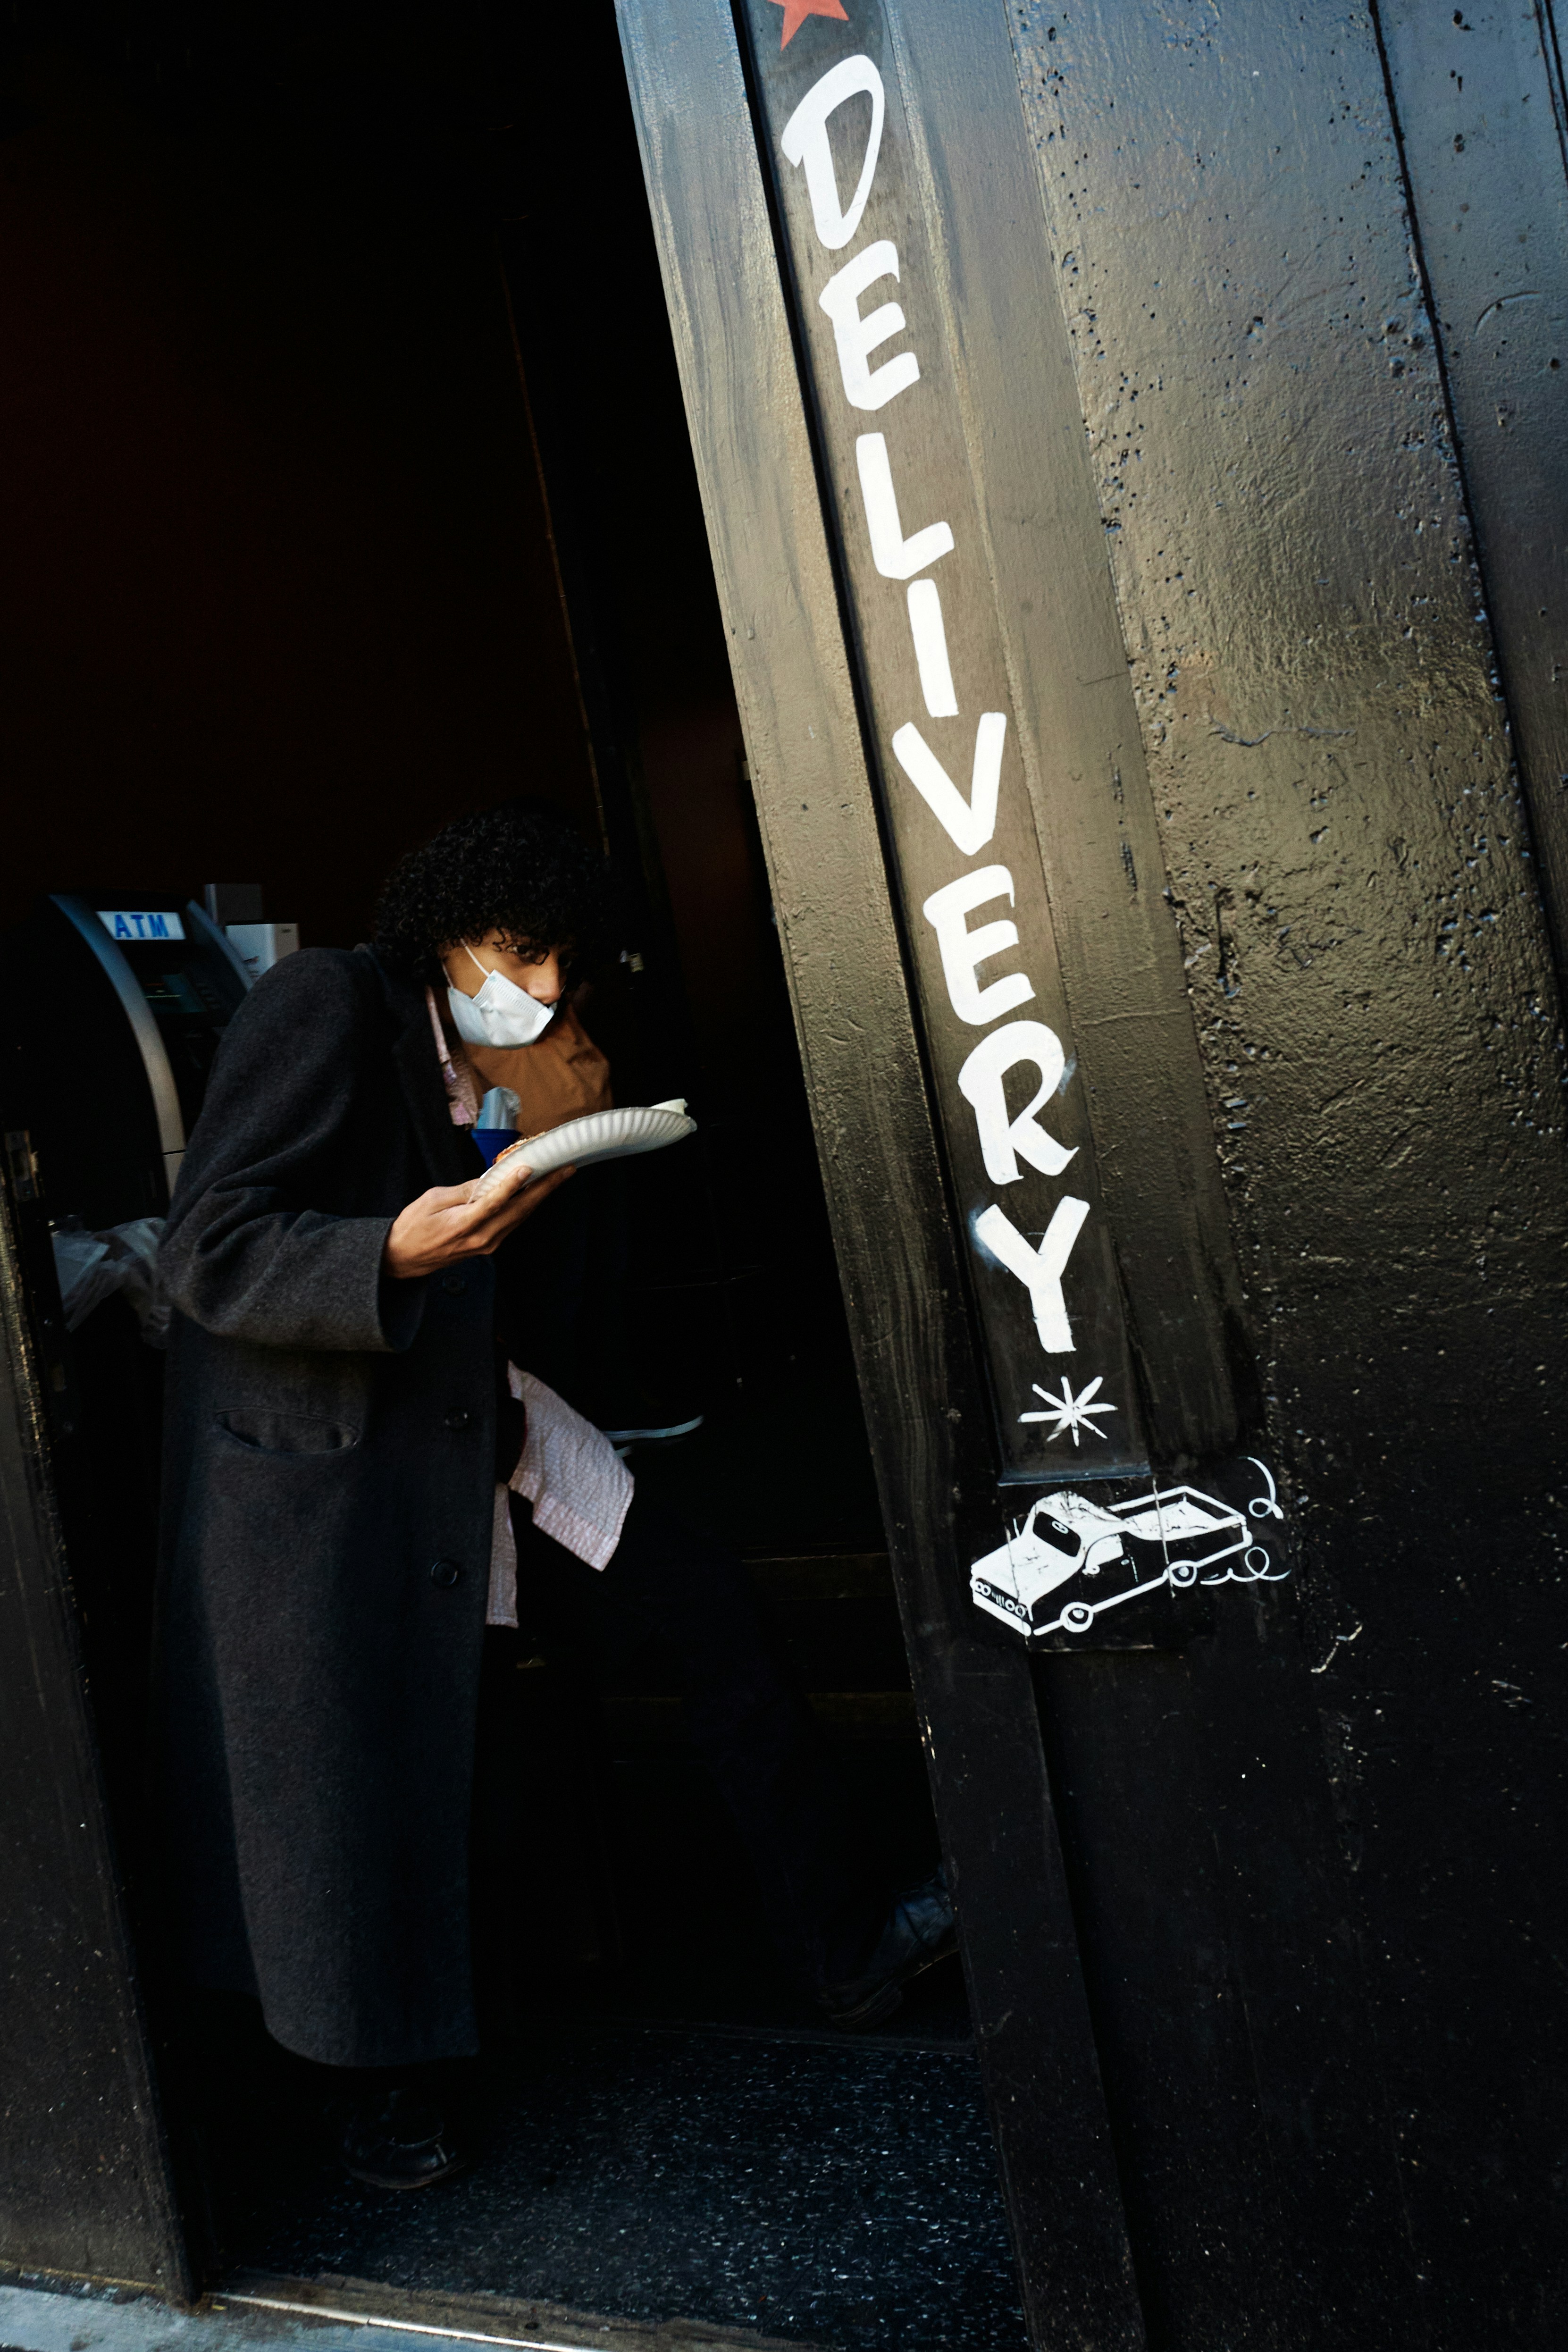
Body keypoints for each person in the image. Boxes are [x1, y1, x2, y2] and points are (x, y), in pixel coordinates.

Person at [152, 797, 954, 2192]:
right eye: (509, 953)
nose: (535, 989)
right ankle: (371, 2088)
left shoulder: (492, 1060)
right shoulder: (322, 1002)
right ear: (440, 938)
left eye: (556, 964)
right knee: (349, 1774)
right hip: (335, 1464)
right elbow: (207, 1250)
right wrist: (383, 1255)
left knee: (705, 1613)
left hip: (488, 1418)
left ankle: (847, 1949)